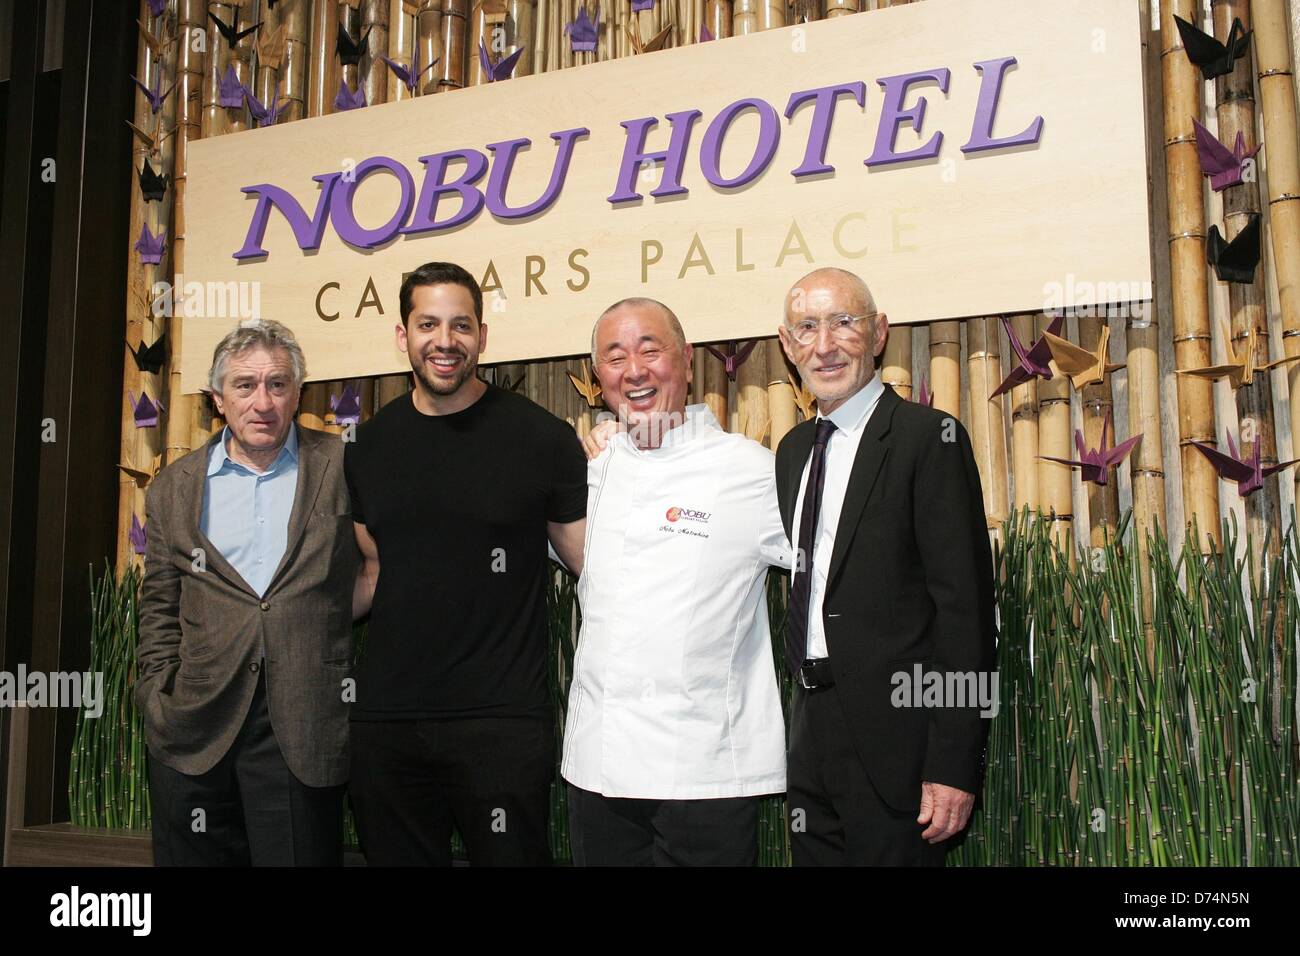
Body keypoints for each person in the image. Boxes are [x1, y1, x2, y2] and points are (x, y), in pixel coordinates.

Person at [345, 261, 586, 866]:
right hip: (388, 725)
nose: (444, 341)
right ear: (403, 336)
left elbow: (592, 567)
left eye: (461, 325)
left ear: (482, 335)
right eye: (428, 324)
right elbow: (371, 573)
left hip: (500, 724)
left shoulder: (541, 438)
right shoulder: (368, 448)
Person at [774, 267, 996, 866]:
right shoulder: (793, 453)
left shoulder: (930, 439)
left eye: (844, 322)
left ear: (878, 333)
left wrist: (954, 763)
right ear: (787, 344)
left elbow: (966, 613)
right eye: (807, 327)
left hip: (901, 744)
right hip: (808, 726)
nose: (825, 344)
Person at [563, 298, 790, 866]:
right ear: (598, 378)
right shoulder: (588, 472)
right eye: (614, 358)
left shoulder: (752, 472)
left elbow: (841, 572)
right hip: (600, 769)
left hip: (705, 773)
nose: (634, 371)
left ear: (687, 361)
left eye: (650, 350)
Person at [135, 319, 359, 866]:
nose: (263, 401)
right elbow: (160, 604)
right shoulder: (174, 486)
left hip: (301, 723)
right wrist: (157, 694)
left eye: (278, 384)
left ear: (297, 393)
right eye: (244, 385)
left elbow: (382, 567)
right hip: (193, 727)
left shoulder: (342, 468)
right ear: (217, 398)